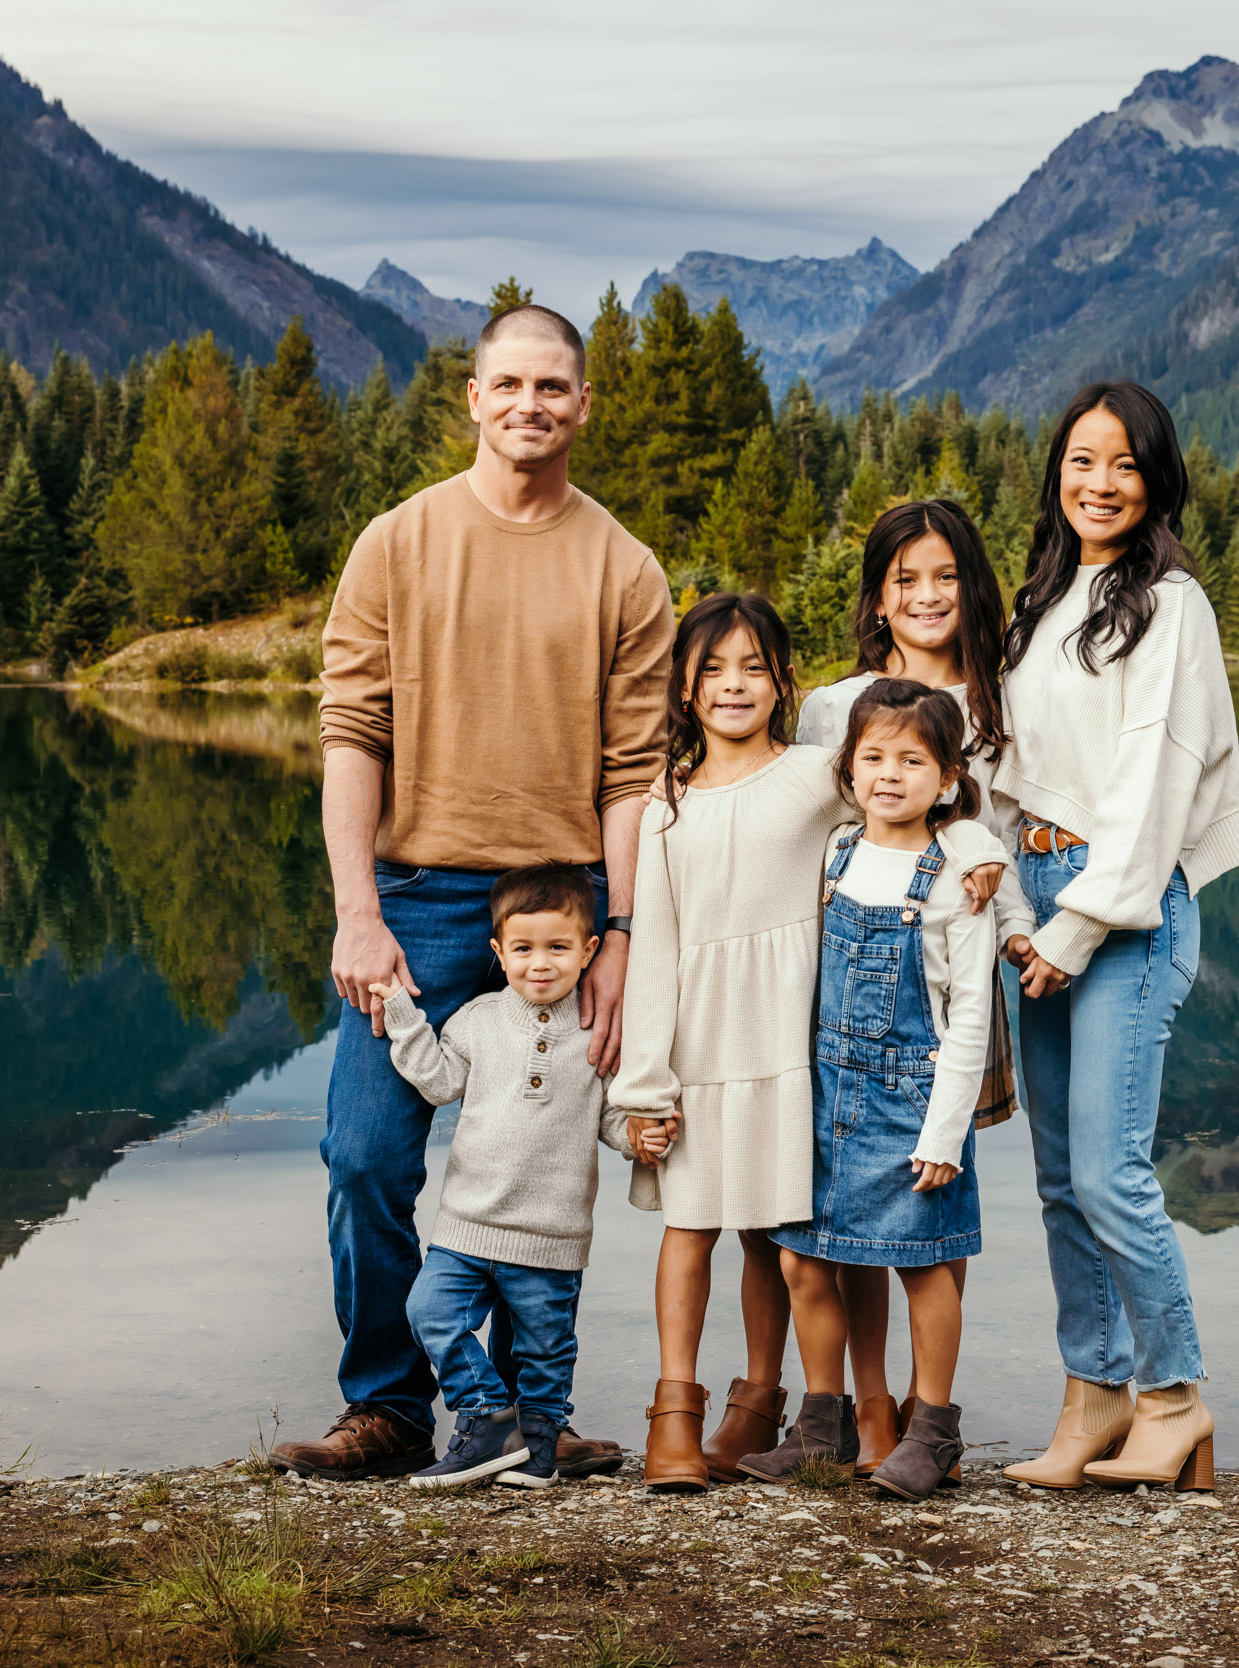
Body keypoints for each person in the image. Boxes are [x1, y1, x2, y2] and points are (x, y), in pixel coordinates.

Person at [277, 302, 672, 1482]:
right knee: (364, 1156)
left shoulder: (625, 567)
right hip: (414, 902)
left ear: (584, 403)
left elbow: (634, 769)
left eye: (553, 387)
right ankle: (392, 1407)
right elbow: (350, 731)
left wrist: (617, 929)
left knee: (543, 1171)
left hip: (558, 910)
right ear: (472, 396)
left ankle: (521, 1420)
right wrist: (358, 910)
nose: (530, 406)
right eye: (509, 386)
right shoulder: (395, 543)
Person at [988, 380, 1239, 1493]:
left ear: (1156, 482)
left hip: (1126, 909)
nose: (1100, 483)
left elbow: (1150, 787)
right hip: (1040, 892)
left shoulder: (1170, 605)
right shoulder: (1048, 597)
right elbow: (1002, 773)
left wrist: (1079, 924)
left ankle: (1175, 1398)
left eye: (1125, 465)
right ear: (1058, 471)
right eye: (1083, 461)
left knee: (1108, 1171)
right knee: (1056, 1177)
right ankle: (1092, 1393)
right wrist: (1013, 913)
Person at [794, 499, 1030, 1478]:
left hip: (948, 971)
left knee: (932, 1211)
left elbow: (997, 828)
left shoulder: (1000, 705)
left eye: (944, 576)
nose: (926, 595)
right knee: (838, 1214)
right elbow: (816, 833)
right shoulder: (828, 706)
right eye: (904, 579)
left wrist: (977, 856)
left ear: (972, 589)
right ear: (877, 598)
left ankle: (930, 1422)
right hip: (837, 991)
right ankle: (865, 1414)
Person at [749, 682, 1008, 1500]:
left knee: (925, 1265)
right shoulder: (836, 852)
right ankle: (822, 1427)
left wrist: (943, 1132)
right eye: (873, 758)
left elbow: (969, 1019)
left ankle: (932, 1431)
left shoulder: (959, 879)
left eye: (912, 761)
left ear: (949, 778)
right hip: (826, 1090)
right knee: (800, 1257)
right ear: (847, 769)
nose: (889, 775)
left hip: (912, 1097)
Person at [610, 593, 839, 1493]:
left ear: (784, 680)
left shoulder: (824, 776)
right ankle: (675, 1413)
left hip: (792, 1036)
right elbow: (655, 951)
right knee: (691, 1225)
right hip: (700, 1042)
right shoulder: (660, 804)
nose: (734, 685)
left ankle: (761, 1404)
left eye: (753, 666)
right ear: (685, 687)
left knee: (774, 1237)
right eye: (713, 669)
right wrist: (643, 1090)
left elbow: (917, 817)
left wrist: (974, 845)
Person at [371, 865, 637, 1489]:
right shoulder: (477, 1019)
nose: (539, 963)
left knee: (545, 1353)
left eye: (558, 947)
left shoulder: (597, 1030)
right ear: (499, 951)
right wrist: (406, 1018)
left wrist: (641, 1138)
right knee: (429, 1310)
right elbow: (438, 1082)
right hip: (466, 1224)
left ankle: (538, 1453)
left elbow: (613, 1118)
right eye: (522, 949)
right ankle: (488, 1416)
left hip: (551, 1233)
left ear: (589, 949)